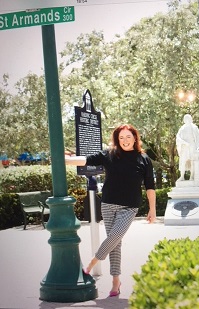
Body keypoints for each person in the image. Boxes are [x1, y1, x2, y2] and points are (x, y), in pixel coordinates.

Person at [65, 124, 156, 297]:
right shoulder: (109, 154)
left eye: (128, 137)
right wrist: (65, 161)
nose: (125, 141)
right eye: (121, 138)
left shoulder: (144, 159)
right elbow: (86, 160)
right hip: (108, 204)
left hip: (130, 207)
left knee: (114, 237)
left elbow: (150, 187)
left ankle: (92, 263)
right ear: (117, 140)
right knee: (115, 244)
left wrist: (152, 209)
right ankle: (116, 281)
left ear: (135, 138)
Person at [176, 114, 199, 181]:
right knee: (183, 162)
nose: (187, 120)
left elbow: (198, 138)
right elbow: (178, 137)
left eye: (188, 118)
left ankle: (191, 177)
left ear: (191, 119)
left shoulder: (194, 127)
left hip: (192, 146)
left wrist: (197, 148)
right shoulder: (182, 128)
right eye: (185, 118)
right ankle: (182, 176)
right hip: (184, 147)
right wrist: (183, 142)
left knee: (192, 161)